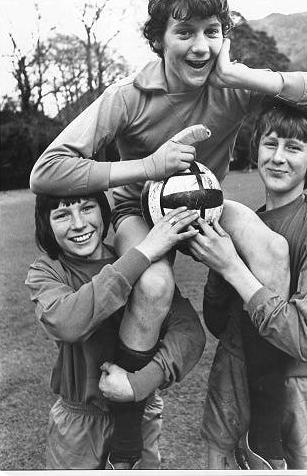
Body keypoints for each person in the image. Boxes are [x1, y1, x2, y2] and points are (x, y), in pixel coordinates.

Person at [29, 0, 307, 460]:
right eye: (185, 32)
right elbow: (46, 171)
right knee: (153, 283)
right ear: (159, 39)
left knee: (270, 247)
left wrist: (241, 74)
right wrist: (147, 166)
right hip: (140, 210)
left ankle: (264, 428)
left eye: (212, 32)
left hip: (207, 204)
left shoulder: (232, 87)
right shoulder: (128, 96)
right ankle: (128, 440)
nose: (200, 46)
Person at [188, 103, 307, 470]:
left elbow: (304, 340)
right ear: (256, 148)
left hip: (296, 389)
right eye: (270, 143)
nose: (277, 158)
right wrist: (218, 264)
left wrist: (232, 266)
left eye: (293, 148)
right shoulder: (247, 222)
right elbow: (217, 323)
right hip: (233, 375)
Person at [25, 192, 205, 469]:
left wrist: (139, 384)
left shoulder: (138, 266)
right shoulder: (48, 271)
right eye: (62, 215)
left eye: (87, 208)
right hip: (80, 424)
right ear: (46, 224)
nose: (78, 223)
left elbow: (189, 332)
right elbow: (66, 323)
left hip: (139, 415)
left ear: (103, 211)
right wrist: (142, 254)